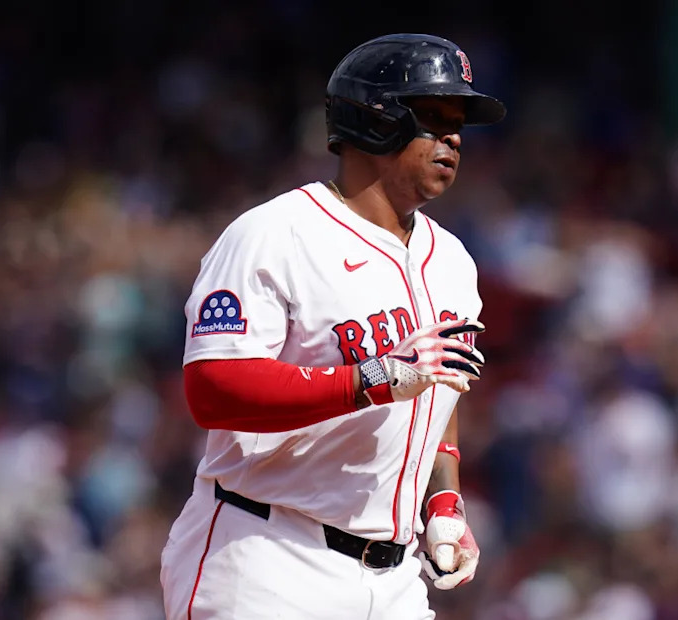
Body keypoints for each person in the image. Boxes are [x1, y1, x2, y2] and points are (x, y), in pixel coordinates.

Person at [159, 33, 506, 619]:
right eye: (433, 117)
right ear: (376, 120)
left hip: (393, 579)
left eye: (459, 124)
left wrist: (442, 497)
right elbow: (212, 391)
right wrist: (369, 377)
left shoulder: (453, 261)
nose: (452, 137)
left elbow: (438, 397)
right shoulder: (276, 234)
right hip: (266, 553)